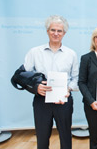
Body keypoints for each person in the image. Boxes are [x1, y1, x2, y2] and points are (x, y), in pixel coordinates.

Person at [24, 15, 79, 149]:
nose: (56, 33)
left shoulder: (71, 54)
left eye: (59, 31)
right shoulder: (34, 52)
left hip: (63, 101)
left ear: (64, 33)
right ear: (47, 31)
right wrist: (35, 87)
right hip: (41, 101)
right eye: (52, 30)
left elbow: (76, 78)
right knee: (42, 138)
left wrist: (68, 89)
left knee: (66, 138)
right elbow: (24, 76)